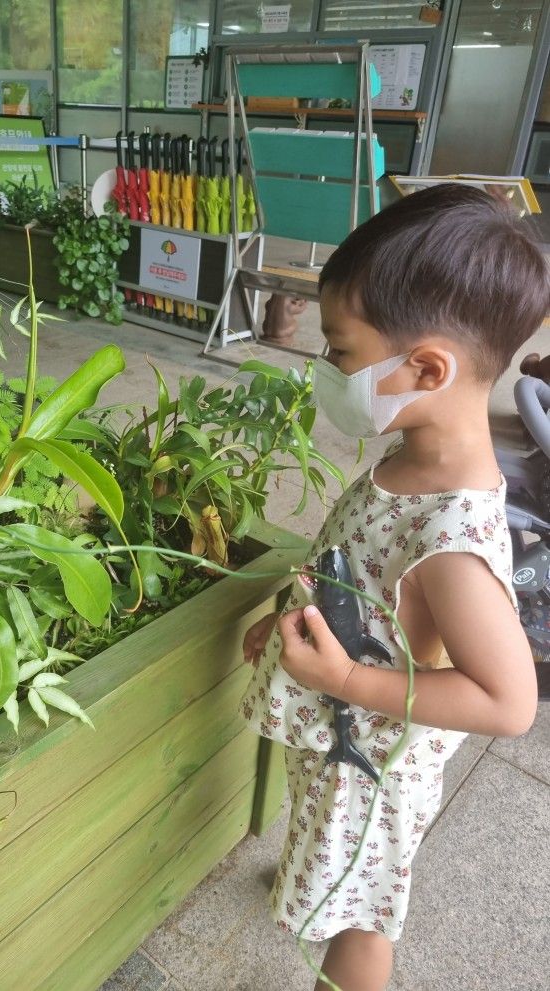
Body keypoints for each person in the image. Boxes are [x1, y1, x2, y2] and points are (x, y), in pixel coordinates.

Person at [241, 183, 547, 991]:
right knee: (331, 875)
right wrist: (288, 621)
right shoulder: (410, 457)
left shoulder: (449, 542)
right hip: (344, 748)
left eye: (340, 350)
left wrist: (343, 679)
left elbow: (506, 703)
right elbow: (356, 571)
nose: (326, 368)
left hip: (371, 768)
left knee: (359, 922)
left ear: (425, 367)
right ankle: (310, 877)